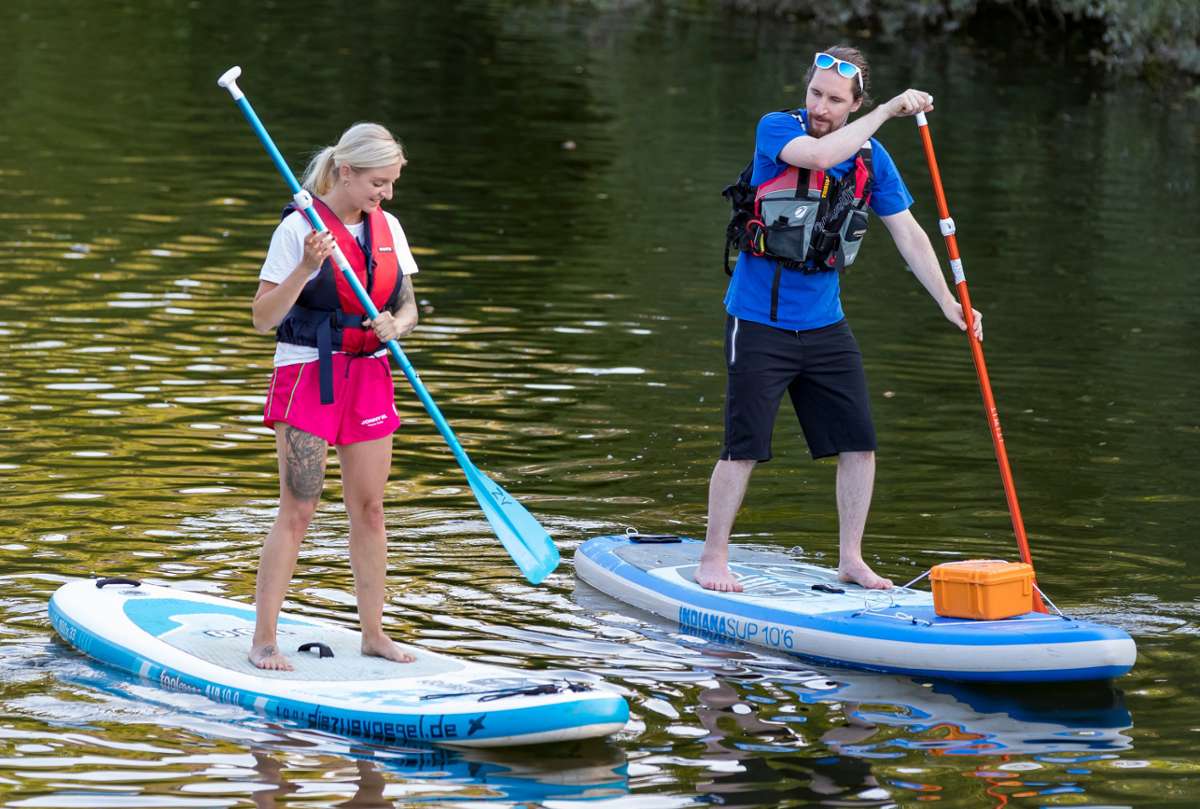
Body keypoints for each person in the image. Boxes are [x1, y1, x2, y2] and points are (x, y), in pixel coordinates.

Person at [697, 46, 982, 593]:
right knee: (744, 446)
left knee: (859, 443)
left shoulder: (872, 160)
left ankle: (851, 557)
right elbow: (821, 158)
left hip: (825, 326)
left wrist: (948, 302)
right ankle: (714, 557)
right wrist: (886, 113)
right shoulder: (777, 129)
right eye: (815, 94)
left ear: (853, 104)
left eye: (834, 100)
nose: (821, 107)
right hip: (758, 321)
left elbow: (910, 234)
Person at [248, 122, 420, 670]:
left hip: (368, 371)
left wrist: (398, 324)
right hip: (308, 372)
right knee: (299, 507)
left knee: (370, 510)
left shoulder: (388, 226)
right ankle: (264, 640)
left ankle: (373, 633)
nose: (385, 194)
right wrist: (306, 267)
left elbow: (410, 305)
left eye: (391, 183)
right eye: (378, 182)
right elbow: (262, 318)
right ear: (346, 172)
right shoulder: (298, 229)